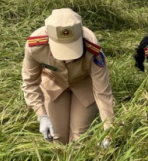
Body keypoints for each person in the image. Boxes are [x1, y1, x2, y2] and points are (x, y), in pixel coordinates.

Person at [22, 8, 114, 144]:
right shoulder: (35, 46)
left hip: (83, 85)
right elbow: (30, 83)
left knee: (79, 138)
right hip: (54, 84)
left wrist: (109, 131)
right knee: (56, 136)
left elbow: (103, 93)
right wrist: (41, 116)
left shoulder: (92, 48)